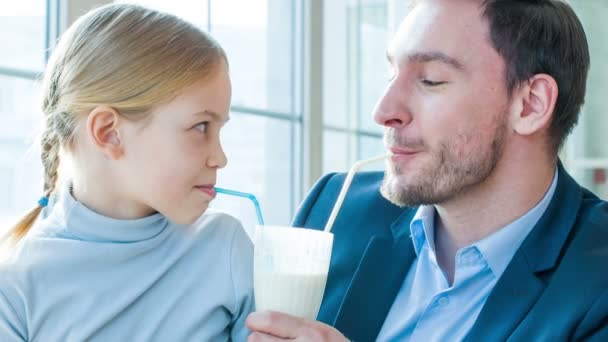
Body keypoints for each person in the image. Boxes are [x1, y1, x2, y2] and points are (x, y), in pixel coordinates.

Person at [247, 0, 608, 341]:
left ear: (530, 105)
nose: (383, 110)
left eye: (431, 80)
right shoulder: (336, 208)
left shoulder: (595, 282)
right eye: (391, 74)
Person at [0, 4, 253, 341]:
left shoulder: (225, 249)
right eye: (201, 126)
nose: (220, 158)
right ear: (109, 132)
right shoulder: (16, 286)